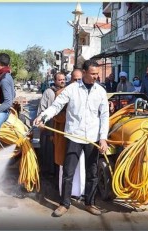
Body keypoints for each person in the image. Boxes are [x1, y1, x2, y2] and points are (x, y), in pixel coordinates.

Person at [33, 60, 109, 216]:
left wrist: (103, 138)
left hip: (92, 138)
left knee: (92, 173)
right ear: (85, 73)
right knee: (68, 172)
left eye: (97, 74)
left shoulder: (100, 91)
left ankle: (90, 203)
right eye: (93, 74)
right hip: (74, 136)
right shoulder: (72, 89)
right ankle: (64, 204)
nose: (96, 77)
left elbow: (104, 116)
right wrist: (43, 116)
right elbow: (56, 106)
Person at [53, 68, 86, 197]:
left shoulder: (86, 93)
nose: (78, 82)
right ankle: (65, 196)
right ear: (70, 80)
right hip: (65, 136)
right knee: (66, 168)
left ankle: (80, 193)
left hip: (82, 136)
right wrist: (70, 116)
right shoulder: (61, 93)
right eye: (75, 79)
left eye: (80, 79)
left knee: (81, 166)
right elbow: (56, 115)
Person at [37, 72, 66, 178]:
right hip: (50, 127)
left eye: (63, 79)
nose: (62, 81)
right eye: (60, 80)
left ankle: (58, 172)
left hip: (61, 129)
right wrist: (42, 122)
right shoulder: (48, 92)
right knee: (49, 151)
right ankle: (49, 173)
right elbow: (42, 108)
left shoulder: (66, 92)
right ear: (55, 81)